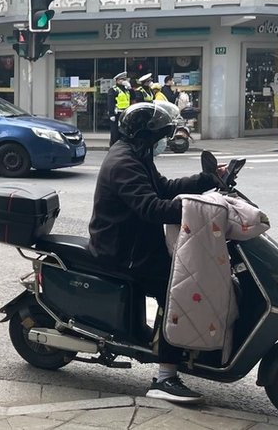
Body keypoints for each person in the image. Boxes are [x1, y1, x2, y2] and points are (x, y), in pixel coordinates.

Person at [89, 101, 218, 404]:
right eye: (162, 135)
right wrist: (197, 208)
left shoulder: (137, 154)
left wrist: (207, 181)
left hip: (137, 245)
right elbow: (151, 208)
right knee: (177, 291)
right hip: (123, 251)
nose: (165, 141)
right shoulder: (124, 162)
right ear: (146, 136)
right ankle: (165, 377)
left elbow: (163, 187)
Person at [106, 72, 132, 146]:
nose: (123, 81)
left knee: (124, 131)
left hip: (126, 113)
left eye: (124, 79)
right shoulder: (113, 90)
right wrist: (111, 114)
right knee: (115, 133)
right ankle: (113, 147)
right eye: (121, 79)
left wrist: (130, 88)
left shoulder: (126, 90)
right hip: (117, 113)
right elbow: (110, 102)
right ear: (117, 80)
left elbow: (133, 97)